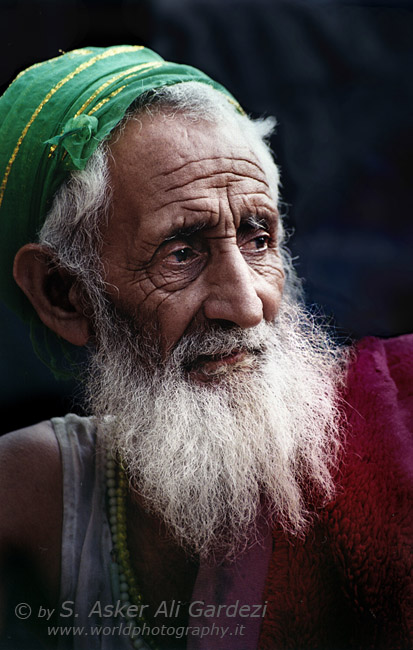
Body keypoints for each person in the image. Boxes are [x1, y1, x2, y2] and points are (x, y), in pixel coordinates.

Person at [0, 45, 411, 650]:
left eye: (258, 237)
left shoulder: (394, 423)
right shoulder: (30, 494)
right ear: (66, 295)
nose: (247, 307)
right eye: (181, 252)